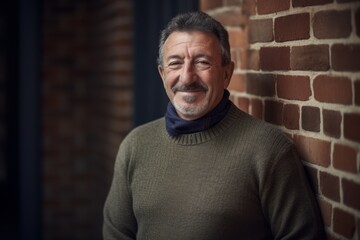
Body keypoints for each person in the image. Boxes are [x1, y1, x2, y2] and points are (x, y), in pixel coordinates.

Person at [103, 11, 325, 240]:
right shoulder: (135, 145)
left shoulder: (268, 149)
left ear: (227, 73)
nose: (187, 77)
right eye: (175, 63)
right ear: (162, 74)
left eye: (202, 62)